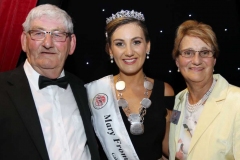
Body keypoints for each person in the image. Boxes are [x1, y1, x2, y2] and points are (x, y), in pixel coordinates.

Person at [0, 4, 100, 160]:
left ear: (71, 44)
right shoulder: (3, 90)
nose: (48, 43)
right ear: (24, 41)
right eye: (38, 33)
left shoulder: (82, 89)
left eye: (58, 34)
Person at [84, 10, 175, 160]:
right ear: (111, 50)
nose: (129, 52)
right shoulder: (94, 92)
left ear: (148, 46)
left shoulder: (165, 90)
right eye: (120, 44)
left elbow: (167, 146)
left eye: (136, 42)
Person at [169, 20, 240, 160]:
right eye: (188, 53)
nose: (196, 60)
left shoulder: (236, 101)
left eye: (205, 52)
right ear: (177, 61)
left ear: (214, 60)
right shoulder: (179, 99)